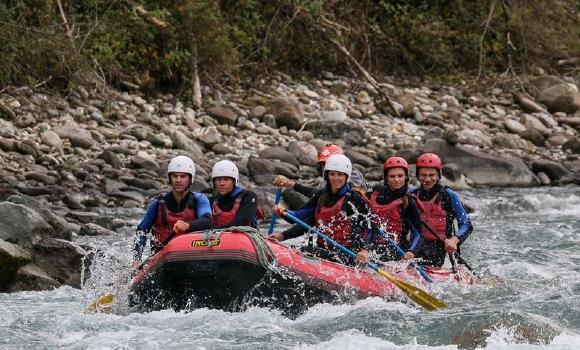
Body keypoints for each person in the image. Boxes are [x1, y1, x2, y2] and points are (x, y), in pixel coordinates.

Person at [272, 154, 373, 266]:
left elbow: (370, 226)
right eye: (332, 174)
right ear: (327, 176)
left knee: (306, 250)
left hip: (350, 254)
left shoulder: (354, 198)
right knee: (301, 249)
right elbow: (299, 217)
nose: (336, 178)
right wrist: (283, 212)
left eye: (340, 175)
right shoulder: (321, 196)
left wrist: (365, 250)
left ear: (346, 177)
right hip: (326, 251)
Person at [133, 155, 212, 271]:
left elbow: (207, 221)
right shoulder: (158, 203)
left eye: (183, 176)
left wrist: (188, 225)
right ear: (170, 178)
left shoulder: (200, 200)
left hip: (191, 257)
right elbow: (142, 231)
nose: (178, 180)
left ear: (190, 178)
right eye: (175, 176)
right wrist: (137, 259)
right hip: (162, 259)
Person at [409, 153, 473, 268]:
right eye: (423, 175)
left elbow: (466, 224)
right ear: (418, 176)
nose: (427, 179)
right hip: (415, 248)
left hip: (442, 250)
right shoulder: (410, 195)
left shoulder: (449, 195)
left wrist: (454, 240)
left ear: (439, 175)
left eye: (432, 175)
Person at [366, 157, 423, 262]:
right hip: (372, 248)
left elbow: (418, 233)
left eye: (400, 176)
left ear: (406, 177)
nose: (396, 180)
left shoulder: (408, 202)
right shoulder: (375, 194)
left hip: (397, 251)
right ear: (386, 178)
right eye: (392, 176)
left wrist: (411, 252)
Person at [273, 144, 368, 197]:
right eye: (324, 165)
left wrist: (293, 184)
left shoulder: (354, 175)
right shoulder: (324, 184)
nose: (335, 177)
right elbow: (317, 196)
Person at [210, 160, 261, 228]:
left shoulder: (248, 197)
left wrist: (214, 230)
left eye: (226, 179)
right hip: (218, 236)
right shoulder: (211, 201)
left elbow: (242, 221)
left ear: (234, 181)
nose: (222, 183)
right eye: (218, 180)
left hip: (244, 236)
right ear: (214, 182)